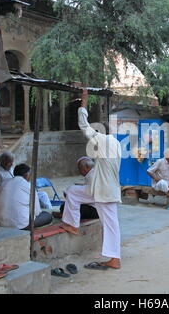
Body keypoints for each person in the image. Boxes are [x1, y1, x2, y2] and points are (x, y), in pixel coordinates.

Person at [60, 89, 122, 270]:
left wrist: (84, 102)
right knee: (73, 192)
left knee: (111, 225)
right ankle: (72, 224)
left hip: (105, 192)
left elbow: (84, 126)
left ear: (102, 132)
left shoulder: (104, 141)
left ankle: (114, 258)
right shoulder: (116, 144)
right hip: (103, 190)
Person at [0, 163, 52, 230]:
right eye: (30, 175)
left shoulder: (3, 183)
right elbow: (36, 212)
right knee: (47, 215)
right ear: (26, 175)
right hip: (22, 225)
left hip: (2, 223)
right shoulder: (28, 185)